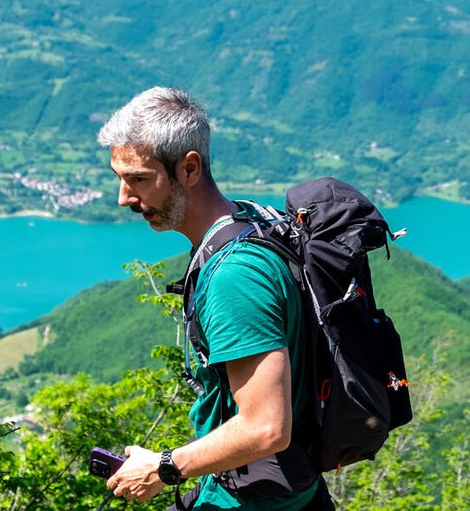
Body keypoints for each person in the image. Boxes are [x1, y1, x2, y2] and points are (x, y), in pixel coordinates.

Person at [97, 87, 334, 510]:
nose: (124, 197)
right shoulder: (251, 220)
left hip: (254, 501)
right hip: (288, 491)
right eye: (120, 177)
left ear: (189, 169)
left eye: (139, 179)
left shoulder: (234, 276)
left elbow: (266, 427)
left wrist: (163, 468)